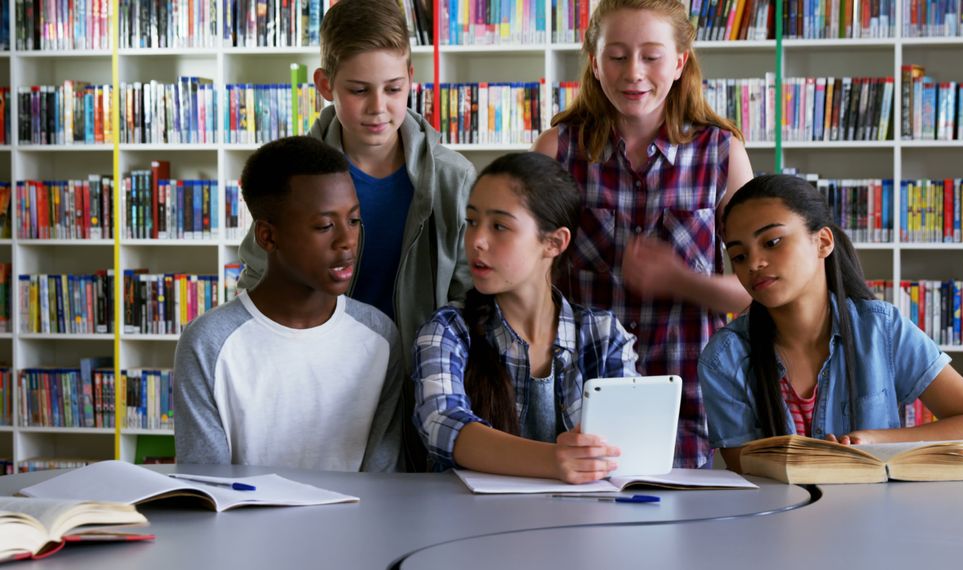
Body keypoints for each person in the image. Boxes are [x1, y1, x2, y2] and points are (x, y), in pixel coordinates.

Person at [235, 0, 475, 471]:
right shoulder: (295, 176)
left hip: (419, 394)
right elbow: (258, 281)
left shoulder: (453, 178)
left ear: (411, 76)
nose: (378, 108)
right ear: (325, 85)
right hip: (313, 388)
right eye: (358, 90)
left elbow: (468, 297)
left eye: (393, 88)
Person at [533, 0, 754, 468]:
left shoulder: (723, 154)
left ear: (679, 62)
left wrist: (682, 281)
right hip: (578, 402)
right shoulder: (555, 150)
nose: (633, 72)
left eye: (651, 56)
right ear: (594, 63)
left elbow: (761, 287)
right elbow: (526, 279)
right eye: (616, 56)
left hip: (691, 405)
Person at [698, 174, 963, 472]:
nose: (754, 263)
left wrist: (873, 442)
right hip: (777, 524)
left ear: (822, 242)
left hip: (872, 521)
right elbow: (745, 464)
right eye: (738, 256)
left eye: (772, 241)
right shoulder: (724, 358)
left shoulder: (882, 329)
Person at [174, 136, 402, 472]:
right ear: (268, 236)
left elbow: (382, 484)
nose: (347, 241)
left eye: (353, 220)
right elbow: (208, 486)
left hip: (355, 524)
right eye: (325, 226)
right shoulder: (208, 342)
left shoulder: (380, 337)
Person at [413, 153, 639, 483]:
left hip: (585, 526)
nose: (477, 241)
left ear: (554, 242)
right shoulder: (447, 330)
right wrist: (553, 460)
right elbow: (443, 426)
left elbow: (625, 447)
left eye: (499, 226)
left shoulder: (603, 335)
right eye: (472, 221)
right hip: (470, 530)